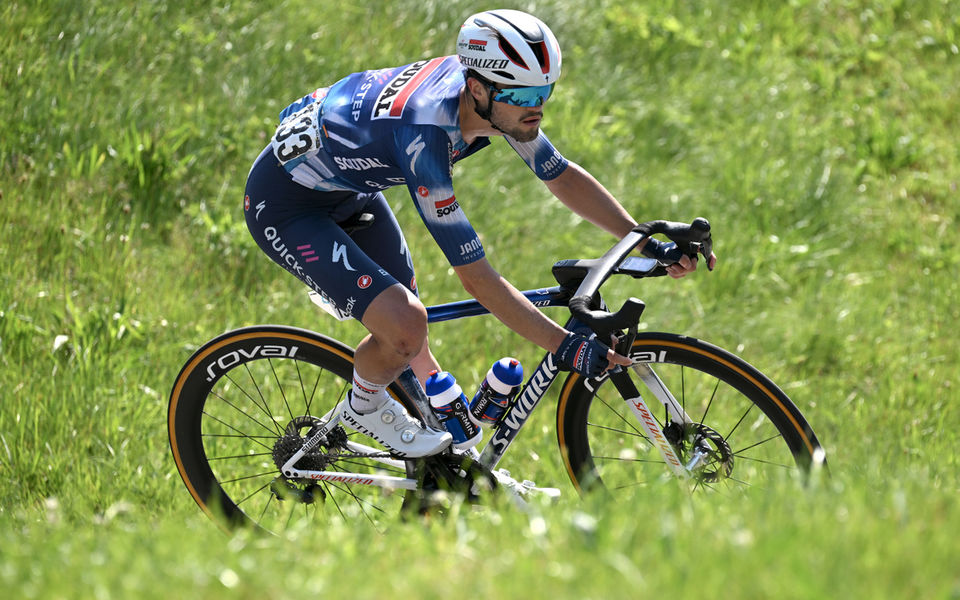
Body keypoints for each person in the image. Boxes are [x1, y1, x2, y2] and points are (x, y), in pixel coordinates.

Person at [244, 9, 717, 458]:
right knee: (404, 323)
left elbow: (560, 176)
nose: (538, 110)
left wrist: (645, 240)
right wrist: (563, 345)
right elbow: (478, 279)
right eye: (526, 98)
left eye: (545, 93)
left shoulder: (496, 101)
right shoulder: (424, 138)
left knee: (410, 330)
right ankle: (363, 407)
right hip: (286, 206)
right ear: (478, 88)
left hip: (350, 189)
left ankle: (442, 456)